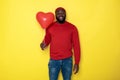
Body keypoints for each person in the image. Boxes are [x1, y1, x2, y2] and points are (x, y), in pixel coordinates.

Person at [40, 7, 81, 80]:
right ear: (55, 15)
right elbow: (47, 39)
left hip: (67, 60)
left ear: (65, 14)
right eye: (58, 13)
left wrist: (77, 62)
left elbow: (76, 46)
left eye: (62, 13)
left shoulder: (72, 28)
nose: (60, 14)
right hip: (54, 61)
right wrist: (43, 44)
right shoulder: (50, 27)